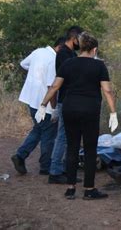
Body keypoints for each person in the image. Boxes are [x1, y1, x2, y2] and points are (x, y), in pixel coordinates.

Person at [36, 32, 118, 200]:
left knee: (72, 147)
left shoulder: (68, 63)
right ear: (94, 49)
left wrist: (43, 105)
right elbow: (107, 90)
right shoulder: (99, 66)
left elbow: (54, 87)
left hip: (70, 108)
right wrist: (113, 112)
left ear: (80, 47)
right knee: (89, 149)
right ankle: (89, 189)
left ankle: (71, 188)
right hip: (90, 110)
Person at [11, 40, 61, 175]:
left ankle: (20, 155)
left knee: (39, 129)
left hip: (30, 98)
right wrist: (54, 109)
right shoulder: (53, 60)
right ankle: (45, 166)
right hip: (43, 102)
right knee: (48, 134)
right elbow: (52, 87)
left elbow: (23, 64)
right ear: (59, 47)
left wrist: (35, 71)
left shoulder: (38, 51)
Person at [48, 26, 83, 184]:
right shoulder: (63, 54)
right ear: (74, 38)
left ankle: (64, 168)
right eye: (80, 39)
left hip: (71, 98)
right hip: (65, 99)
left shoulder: (70, 53)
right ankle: (54, 171)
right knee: (62, 136)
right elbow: (69, 74)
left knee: (68, 137)